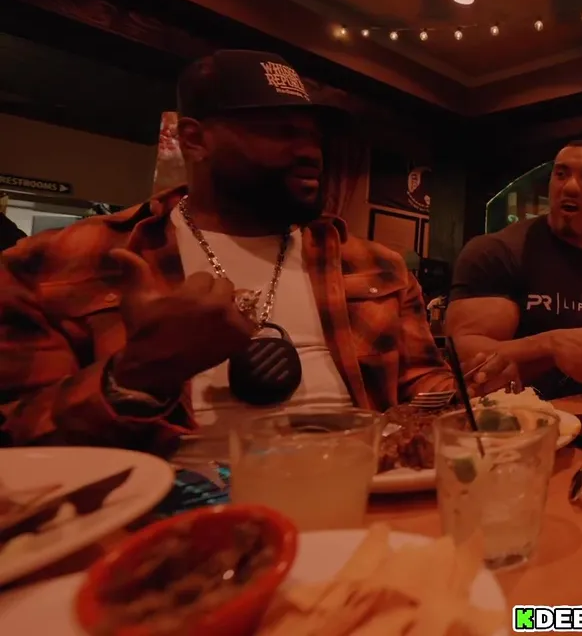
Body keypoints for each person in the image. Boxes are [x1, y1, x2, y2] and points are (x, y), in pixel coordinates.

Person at [0, 50, 502, 454]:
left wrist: (482, 388)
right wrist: (139, 373)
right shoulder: (55, 263)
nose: (310, 152)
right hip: (163, 519)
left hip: (363, 495)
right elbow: (19, 441)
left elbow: (420, 385)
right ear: (194, 139)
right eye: (280, 132)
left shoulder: (377, 266)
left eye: (313, 137)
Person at [447, 140, 582, 398]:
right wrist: (549, 346)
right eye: (561, 174)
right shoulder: (497, 252)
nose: (570, 186)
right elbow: (463, 354)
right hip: (519, 418)